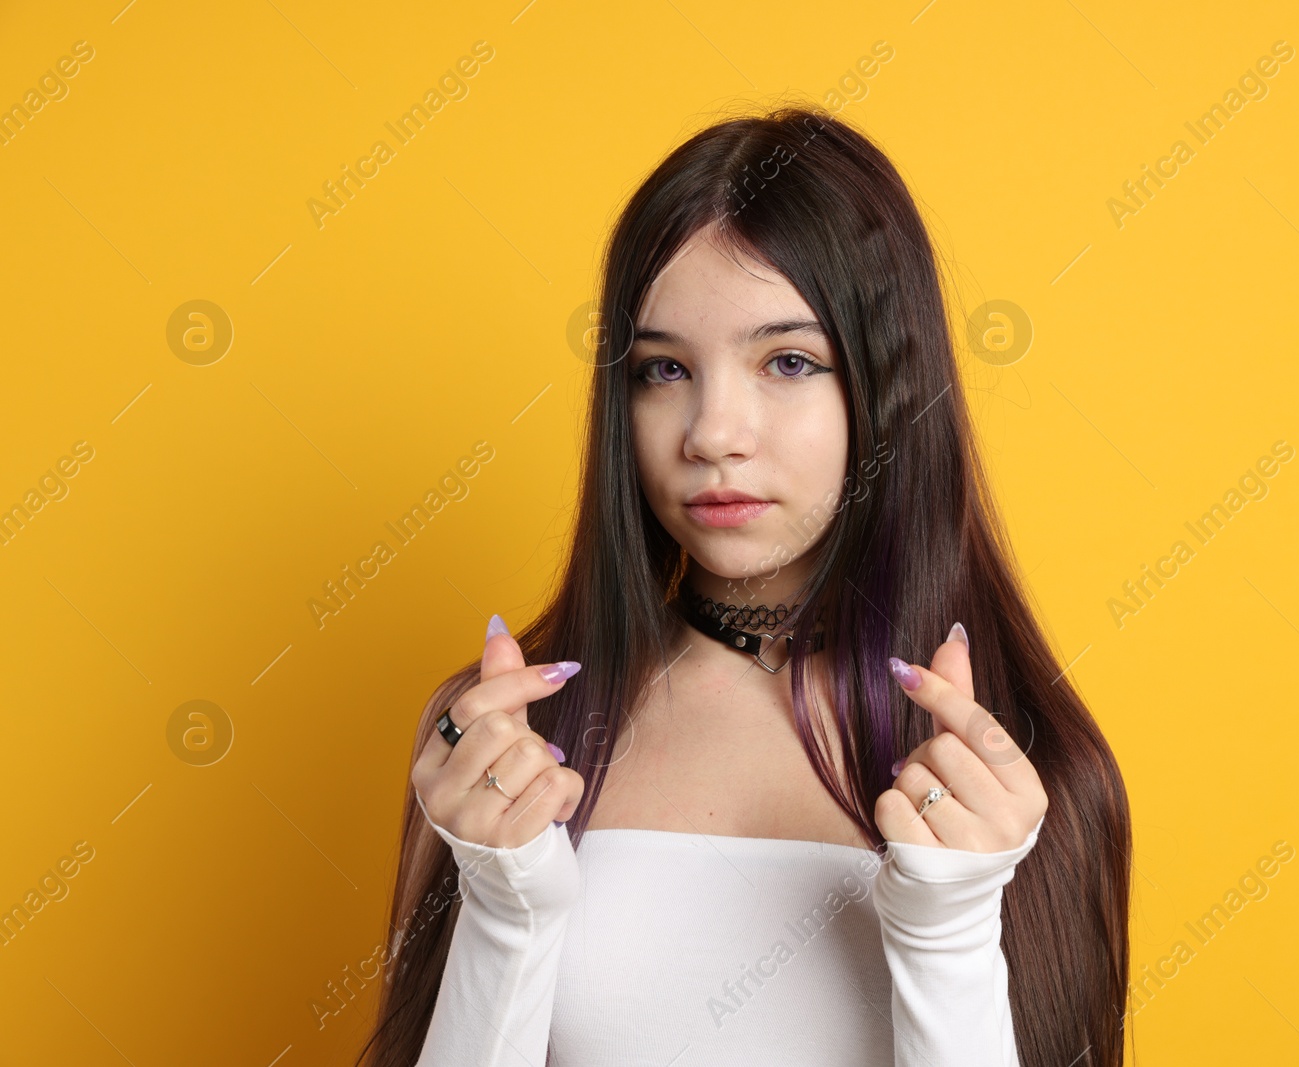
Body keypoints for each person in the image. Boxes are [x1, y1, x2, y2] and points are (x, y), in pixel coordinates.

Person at [357, 105, 1131, 1067]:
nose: (712, 432)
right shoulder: (499, 749)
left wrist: (947, 930)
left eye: (789, 361)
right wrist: (504, 914)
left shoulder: (1029, 775)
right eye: (664, 369)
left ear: (888, 389)